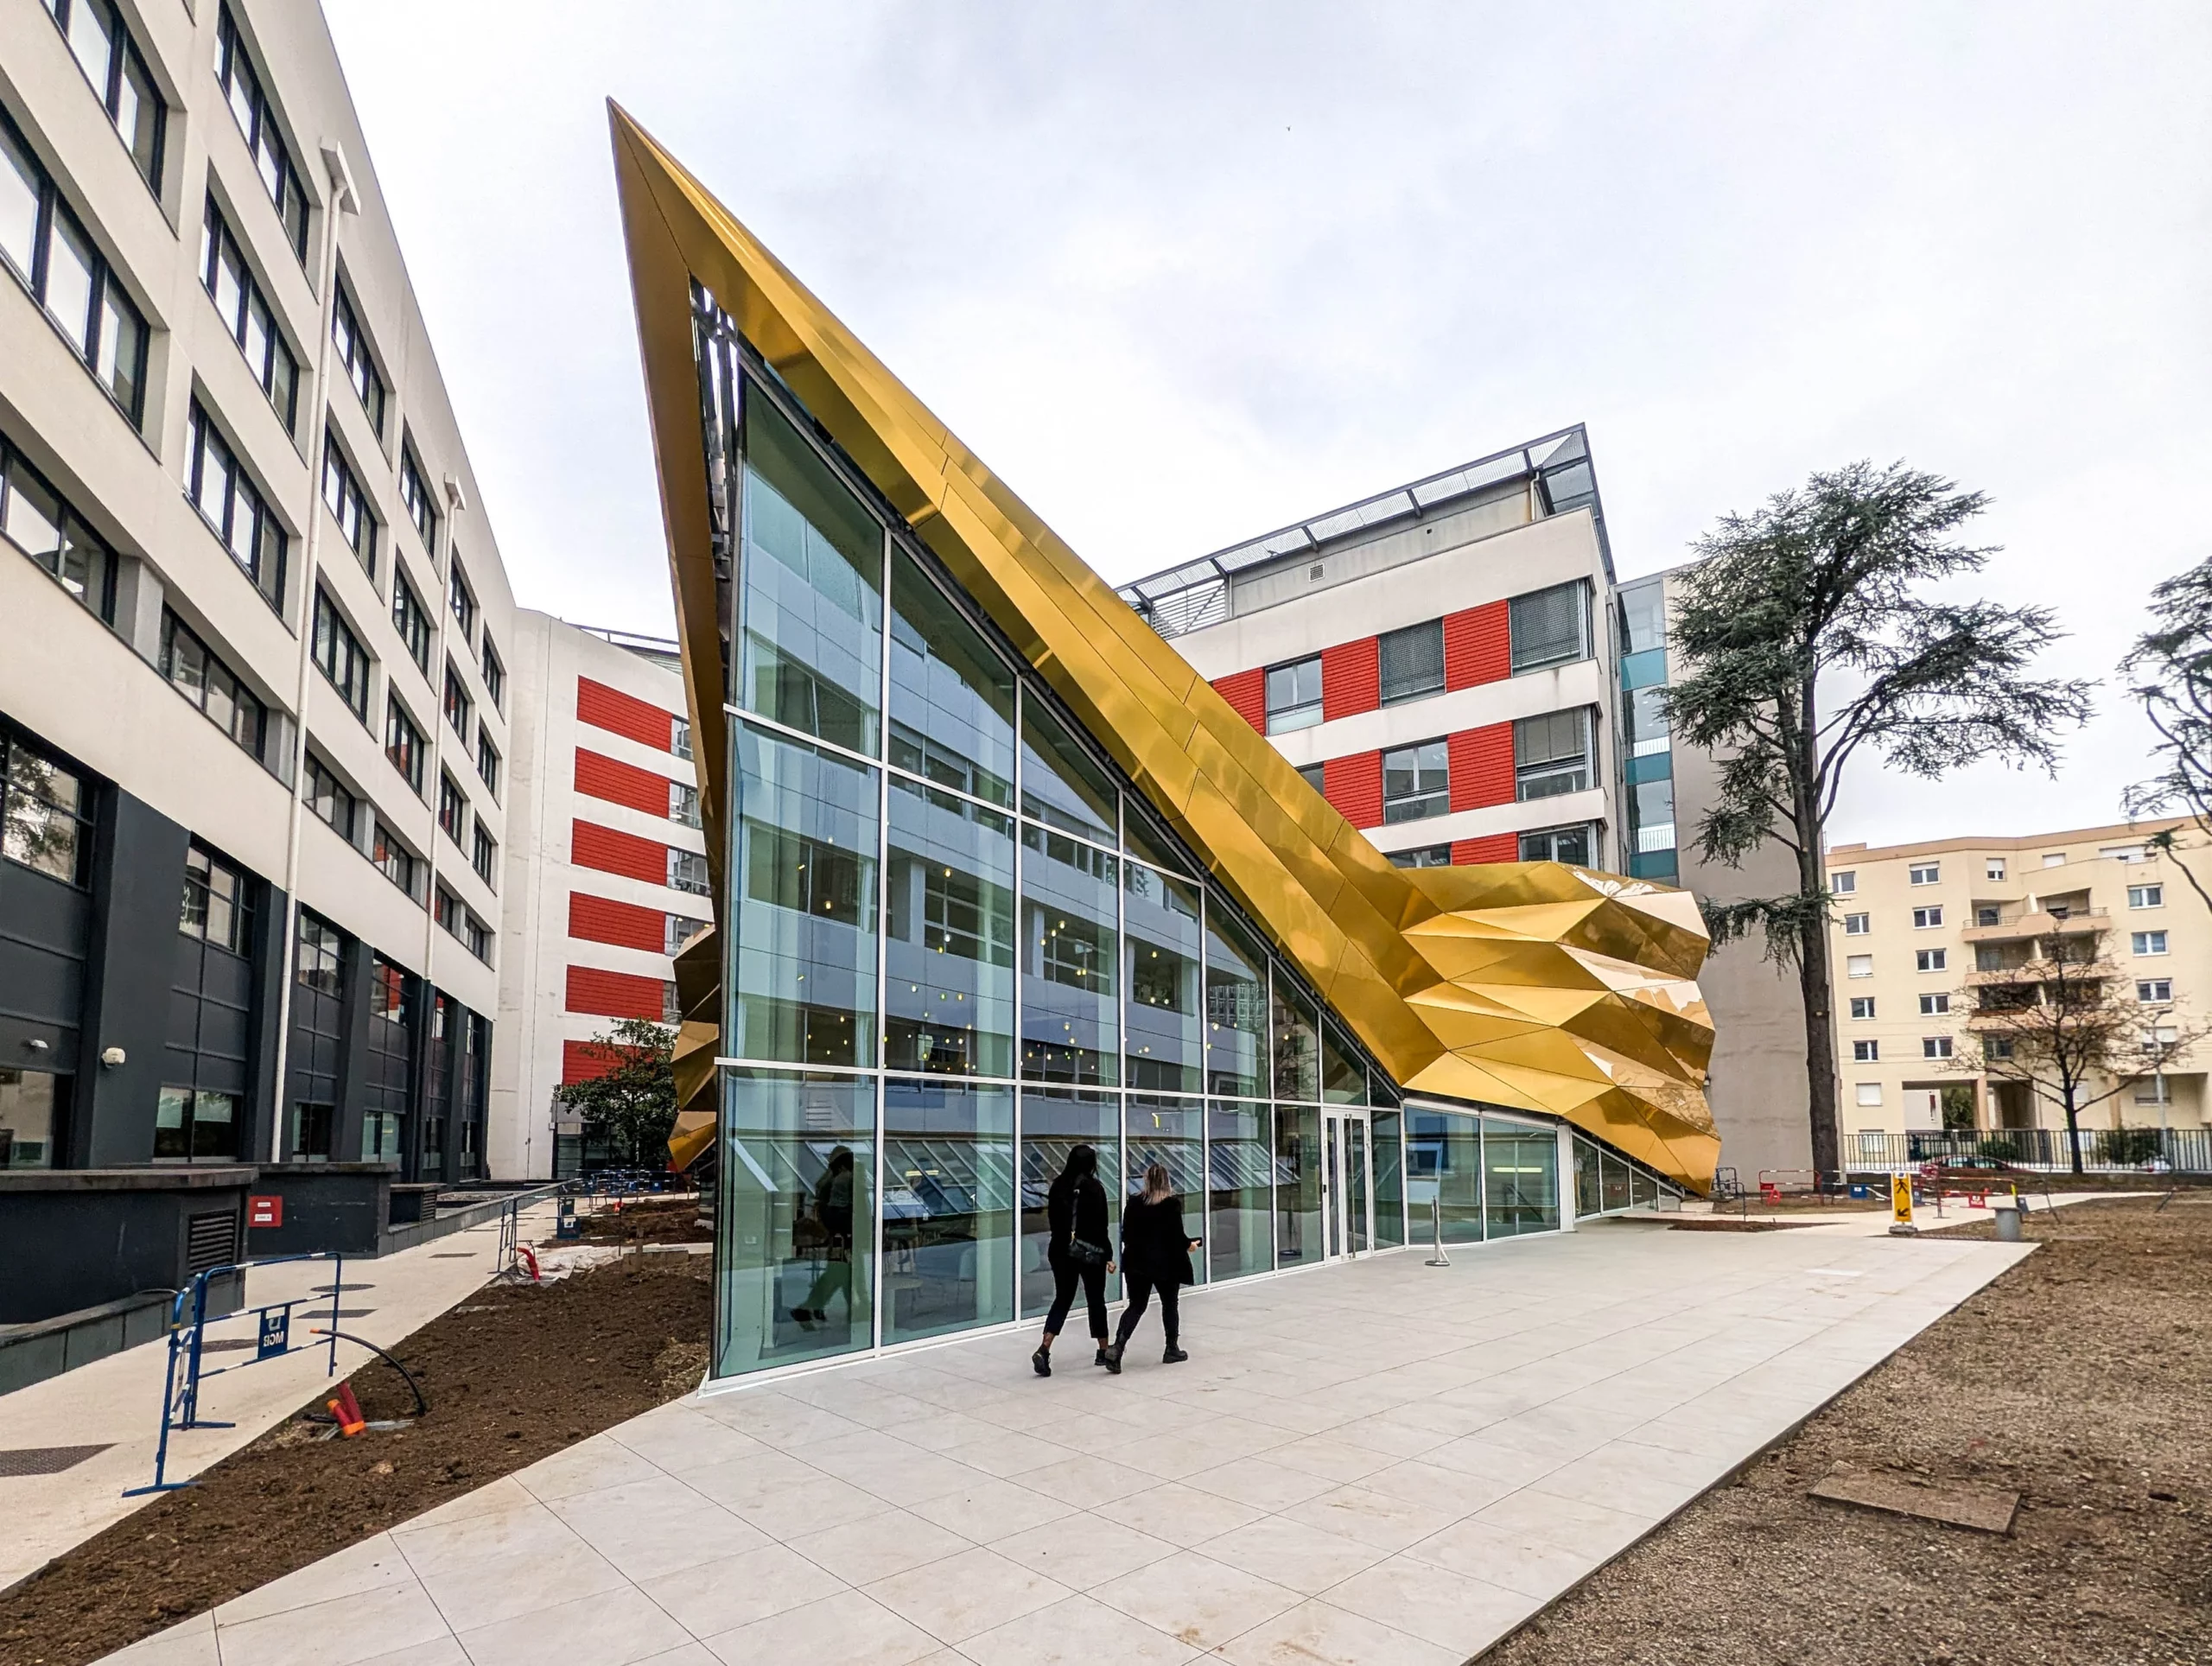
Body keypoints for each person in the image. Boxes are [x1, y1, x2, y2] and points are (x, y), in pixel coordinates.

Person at [1103, 1160, 1199, 1373]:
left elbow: (1126, 1233)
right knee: (1169, 1304)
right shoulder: (1171, 1204)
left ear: (1146, 1180)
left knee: (1136, 1305)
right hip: (1165, 1263)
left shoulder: (1134, 1202)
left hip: (1136, 1261)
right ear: (1167, 1181)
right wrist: (1190, 1245)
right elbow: (1176, 1235)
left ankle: (1117, 1347)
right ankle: (1171, 1348)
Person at [1033, 1143, 1112, 1377]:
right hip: (1089, 1251)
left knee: (1063, 1298)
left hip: (1060, 1249)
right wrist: (1107, 1256)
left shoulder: (1058, 1185)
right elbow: (1101, 1226)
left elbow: (1053, 1220)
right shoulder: (1095, 1188)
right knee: (1096, 1298)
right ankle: (1103, 1351)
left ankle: (1044, 1348)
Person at [791, 1144, 855, 1328]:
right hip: (843, 1236)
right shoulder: (844, 1180)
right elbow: (850, 1210)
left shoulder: (828, 1180)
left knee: (841, 1276)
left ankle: (811, 1308)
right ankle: (811, 1308)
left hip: (835, 1235)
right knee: (842, 1276)